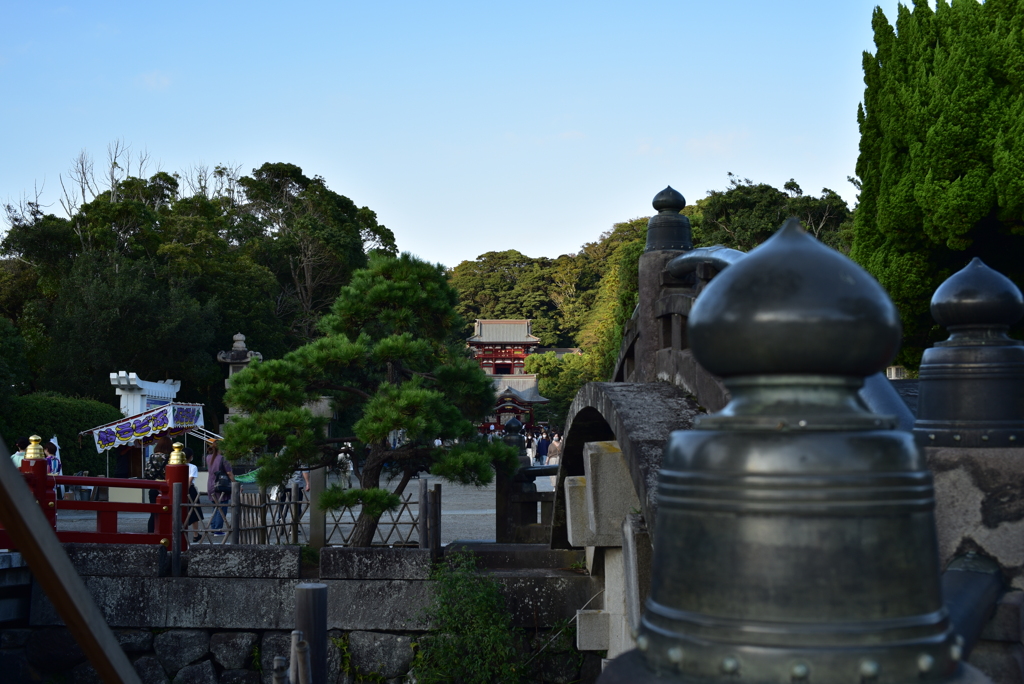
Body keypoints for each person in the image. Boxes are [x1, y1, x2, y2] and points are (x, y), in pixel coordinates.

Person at [144, 436, 172, 534]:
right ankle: (164, 533)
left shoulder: (151, 457)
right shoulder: (169, 458)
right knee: (167, 512)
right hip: (166, 488)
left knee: (153, 513)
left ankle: (151, 533)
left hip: (154, 487)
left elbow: (146, 473)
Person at [206, 441, 234, 535]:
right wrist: (235, 483)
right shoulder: (223, 458)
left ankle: (213, 527)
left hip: (210, 484)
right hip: (221, 485)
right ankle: (218, 529)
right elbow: (229, 473)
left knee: (215, 506)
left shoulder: (208, 457)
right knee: (222, 507)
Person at [183, 447, 205, 543]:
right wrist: (185, 491)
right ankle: (195, 534)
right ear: (191, 457)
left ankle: (181, 532)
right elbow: (190, 480)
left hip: (177, 489)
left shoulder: (178, 465)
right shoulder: (192, 467)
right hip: (190, 489)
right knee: (194, 511)